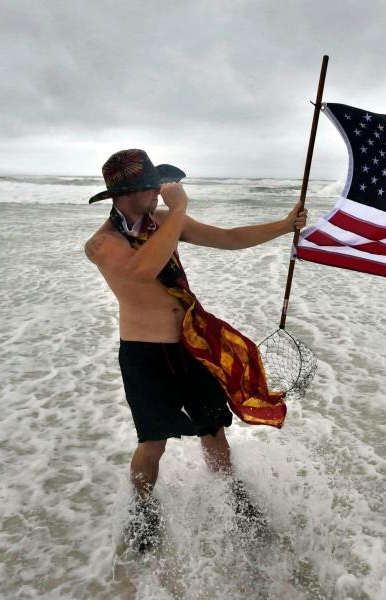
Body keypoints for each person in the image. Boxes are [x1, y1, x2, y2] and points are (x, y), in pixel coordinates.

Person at [83, 149, 306, 550]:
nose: (159, 192)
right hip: (145, 354)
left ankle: (235, 498)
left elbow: (229, 238)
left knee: (212, 429)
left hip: (189, 344)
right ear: (130, 191)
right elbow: (143, 270)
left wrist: (285, 226)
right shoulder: (101, 244)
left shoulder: (163, 222)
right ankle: (143, 511)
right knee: (153, 442)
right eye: (152, 185)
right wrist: (180, 209)